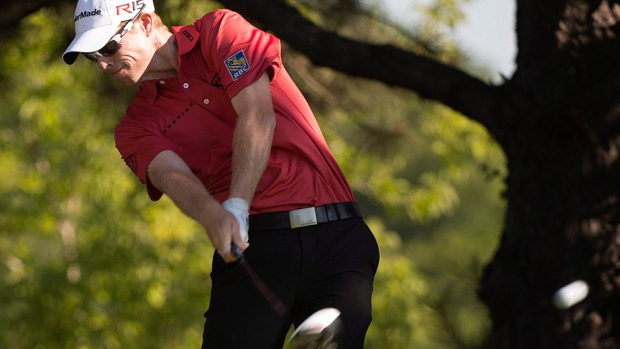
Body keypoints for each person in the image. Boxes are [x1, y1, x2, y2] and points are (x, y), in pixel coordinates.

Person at [63, 0, 380, 347]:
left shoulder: (220, 31)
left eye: (108, 46)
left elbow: (258, 116)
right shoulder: (134, 128)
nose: (103, 64)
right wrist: (213, 214)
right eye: (93, 56)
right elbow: (172, 177)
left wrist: (237, 204)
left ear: (146, 22)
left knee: (330, 337)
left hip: (336, 236)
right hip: (252, 253)